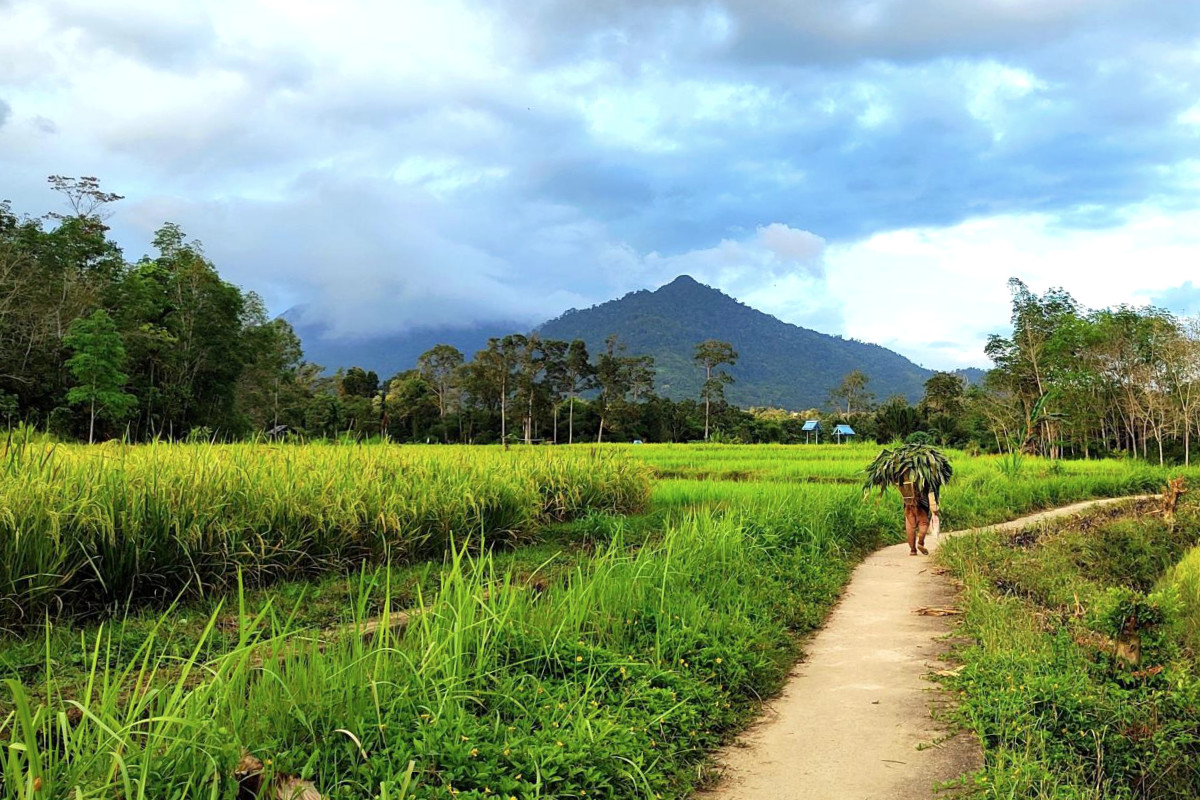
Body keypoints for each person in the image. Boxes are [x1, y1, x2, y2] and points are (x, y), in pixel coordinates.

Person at [898, 473, 940, 556]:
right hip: (921, 507)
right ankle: (920, 542)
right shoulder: (927, 479)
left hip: (909, 506)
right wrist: (934, 508)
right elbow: (931, 493)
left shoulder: (904, 477)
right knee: (923, 524)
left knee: (910, 527)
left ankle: (913, 550)